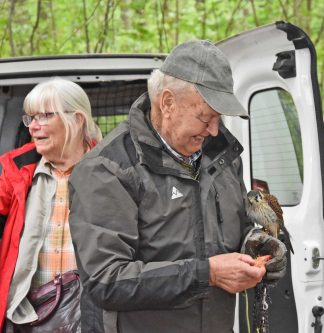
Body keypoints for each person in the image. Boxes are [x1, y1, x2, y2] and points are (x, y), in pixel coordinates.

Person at [68, 40, 287, 333]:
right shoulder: (108, 168)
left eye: (218, 119)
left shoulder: (222, 159)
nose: (213, 130)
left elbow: (230, 230)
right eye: (206, 117)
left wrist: (255, 246)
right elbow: (106, 279)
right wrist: (206, 273)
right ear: (168, 102)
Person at [0, 78, 102, 332]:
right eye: (30, 118)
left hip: (92, 316)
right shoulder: (16, 169)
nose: (33, 127)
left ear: (77, 119)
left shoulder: (111, 170)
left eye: (44, 116)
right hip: (28, 316)